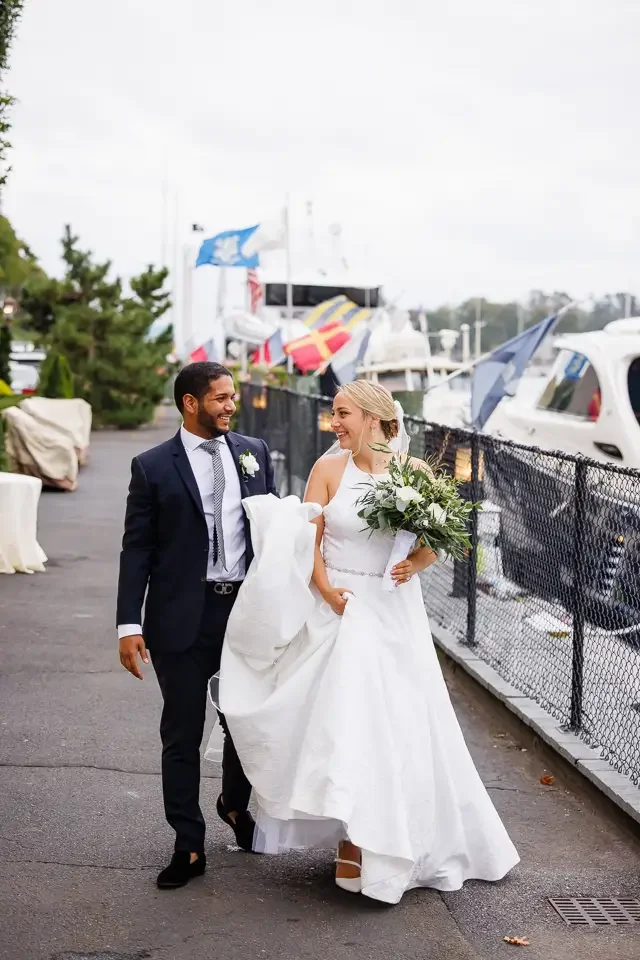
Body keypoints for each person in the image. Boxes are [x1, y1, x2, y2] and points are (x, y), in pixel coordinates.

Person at [213, 379, 519, 904]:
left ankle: (385, 840)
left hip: (393, 610)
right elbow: (305, 537)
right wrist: (327, 590)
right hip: (339, 607)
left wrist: (415, 562)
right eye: (334, 413)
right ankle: (354, 838)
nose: (335, 423)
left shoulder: (414, 474)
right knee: (346, 725)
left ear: (375, 418)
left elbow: (435, 540)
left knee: (397, 723)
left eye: (343, 413)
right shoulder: (328, 470)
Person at [116, 361, 277, 890]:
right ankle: (188, 843)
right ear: (190, 403)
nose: (232, 405)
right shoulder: (152, 466)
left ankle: (233, 803)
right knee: (182, 731)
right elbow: (136, 549)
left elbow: (271, 534)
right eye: (221, 398)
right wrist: (127, 624)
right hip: (180, 617)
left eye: (233, 396)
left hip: (244, 612)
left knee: (245, 720)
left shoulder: (254, 454)